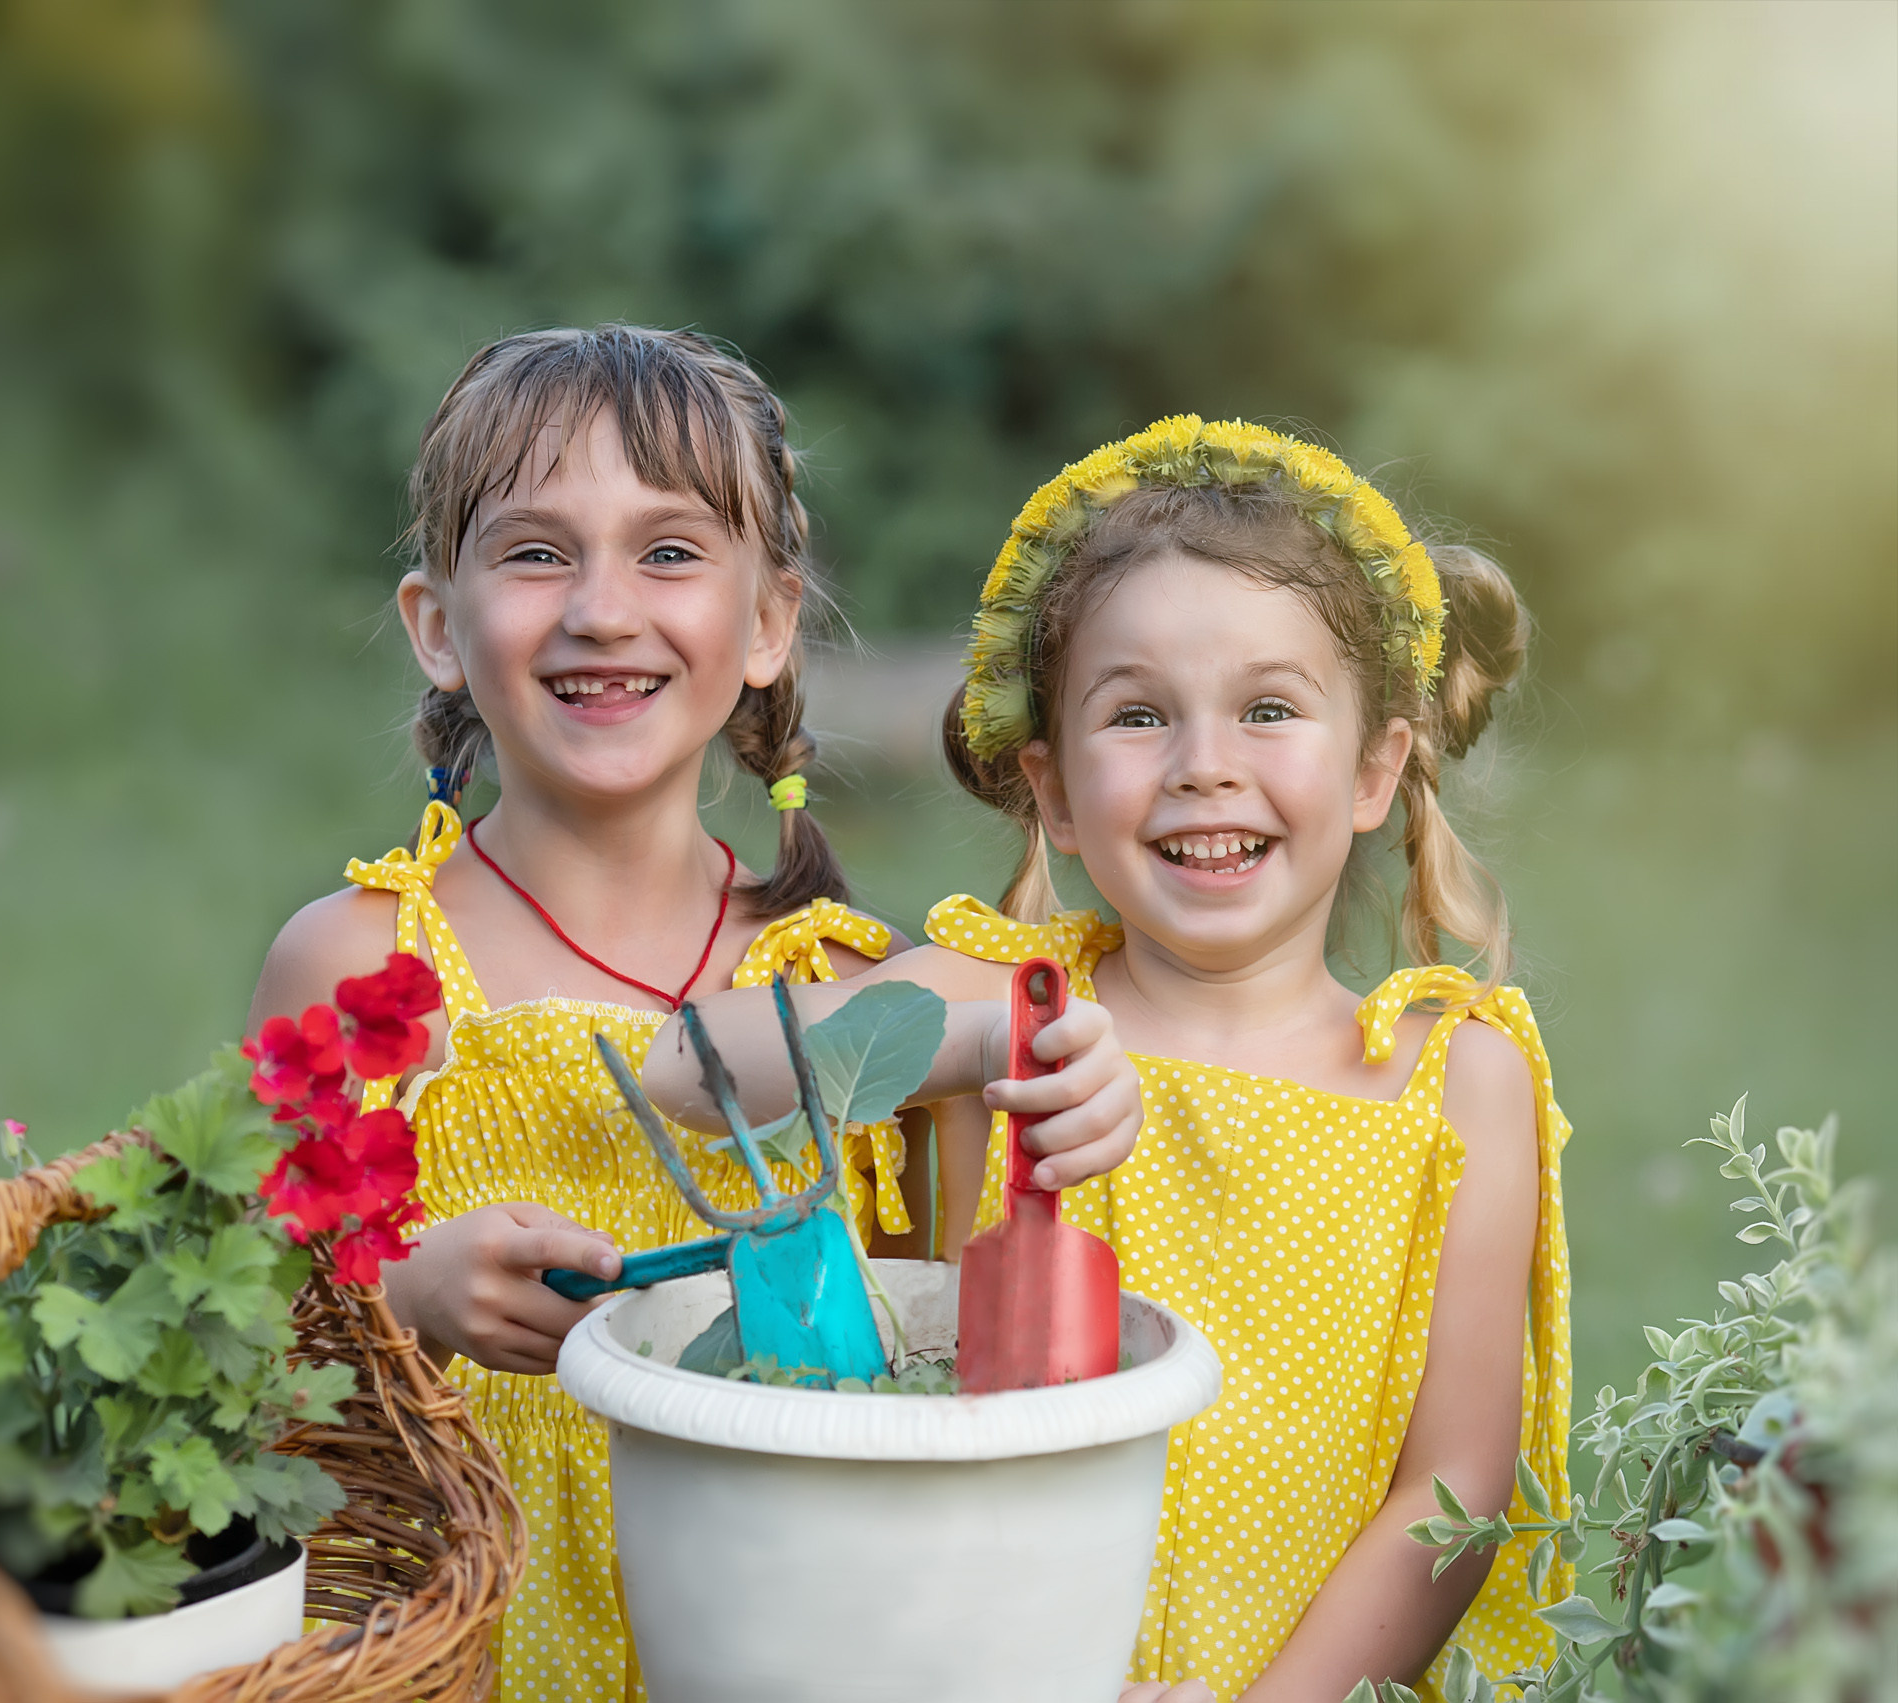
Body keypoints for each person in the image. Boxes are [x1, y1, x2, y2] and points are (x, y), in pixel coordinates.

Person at [247, 325, 1142, 1701]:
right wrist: (406, 1295)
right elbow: (252, 1361)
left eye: (670, 552)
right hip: (464, 1651)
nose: (604, 608)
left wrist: (1056, 1072)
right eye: (539, 552)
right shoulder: (362, 971)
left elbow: (936, 1367)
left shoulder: (851, 988)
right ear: (438, 625)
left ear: (770, 623)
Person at [656, 416, 1570, 1703]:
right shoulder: (1000, 1002)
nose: (1205, 767)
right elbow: (690, 1071)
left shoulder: (1451, 1080)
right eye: (1138, 714)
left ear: (1375, 767)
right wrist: (964, 1042)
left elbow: (1454, 1485)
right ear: (1057, 792)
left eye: (1267, 708)